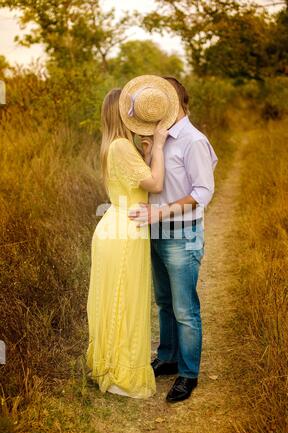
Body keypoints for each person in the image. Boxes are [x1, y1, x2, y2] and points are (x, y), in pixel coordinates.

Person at [86, 77, 180, 399]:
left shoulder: (114, 146)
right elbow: (154, 183)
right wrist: (161, 145)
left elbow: (138, 183)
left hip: (120, 225)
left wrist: (150, 150)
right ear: (120, 115)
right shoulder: (121, 147)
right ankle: (120, 375)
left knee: (118, 299)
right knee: (124, 300)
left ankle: (112, 366)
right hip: (125, 232)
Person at [129, 77, 218, 403]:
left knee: (184, 309)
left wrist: (161, 212)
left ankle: (188, 373)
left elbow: (203, 192)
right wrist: (150, 151)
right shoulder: (160, 138)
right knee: (164, 303)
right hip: (157, 232)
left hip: (182, 234)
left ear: (175, 102)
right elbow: (155, 183)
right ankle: (167, 357)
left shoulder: (193, 140)